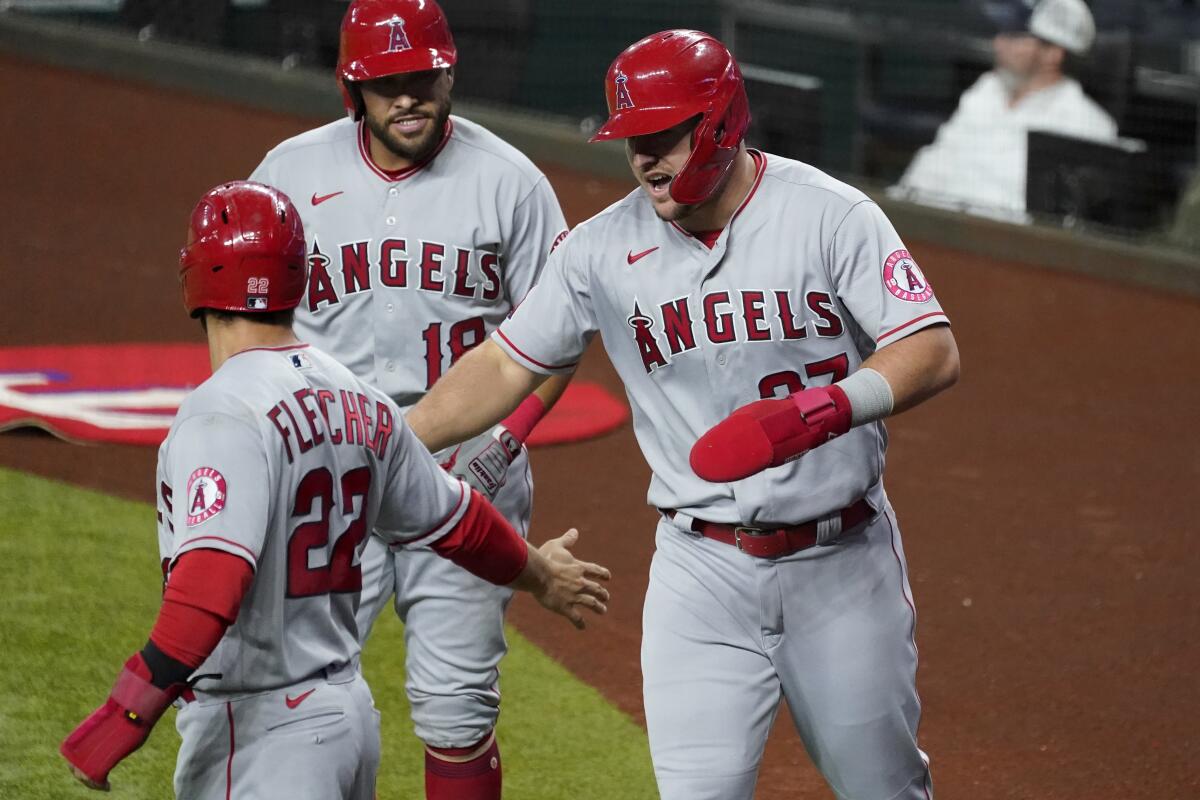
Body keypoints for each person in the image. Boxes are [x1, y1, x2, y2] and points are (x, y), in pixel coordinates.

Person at [404, 28, 961, 800]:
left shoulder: (830, 216)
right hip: (701, 573)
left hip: (841, 563)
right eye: (632, 139)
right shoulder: (598, 250)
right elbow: (505, 363)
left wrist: (826, 409)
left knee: (884, 789)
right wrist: (394, 439)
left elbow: (930, 347)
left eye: (664, 135)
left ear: (722, 121)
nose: (644, 159)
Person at [58, 181, 608, 798]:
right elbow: (461, 524)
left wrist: (122, 718)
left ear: (196, 282)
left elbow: (212, 581)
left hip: (262, 734)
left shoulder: (222, 413)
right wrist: (541, 575)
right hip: (345, 719)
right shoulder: (362, 402)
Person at [247, 1, 570, 796]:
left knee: (457, 707)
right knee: (301, 694)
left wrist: (508, 440)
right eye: (386, 84)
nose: (408, 99)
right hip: (333, 469)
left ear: (449, 72)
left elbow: (559, 334)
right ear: (352, 87)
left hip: (468, 469)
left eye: (422, 78)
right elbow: (247, 321)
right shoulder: (289, 173)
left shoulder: (511, 184)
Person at [894, 0, 1118, 221]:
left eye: (1014, 37)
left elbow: (1045, 225)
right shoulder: (986, 89)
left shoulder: (1087, 124)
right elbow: (934, 163)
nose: (998, 44)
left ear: (1053, 53)